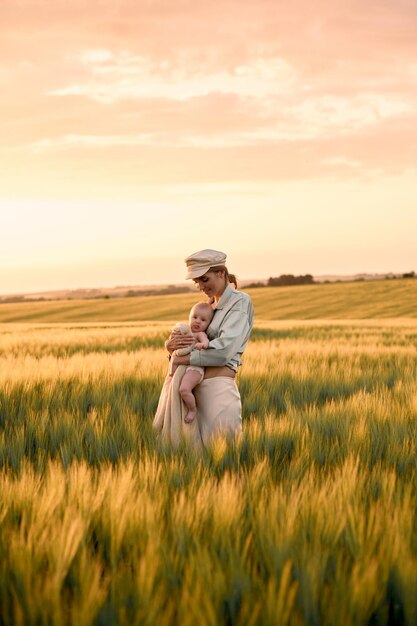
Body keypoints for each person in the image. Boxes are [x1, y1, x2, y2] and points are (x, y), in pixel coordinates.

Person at [153, 248, 254, 449]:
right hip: (192, 394)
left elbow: (224, 351)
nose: (200, 286)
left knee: (224, 455)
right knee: (195, 459)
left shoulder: (240, 302)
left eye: (204, 279)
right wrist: (171, 348)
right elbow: (192, 342)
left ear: (221, 273)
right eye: (196, 282)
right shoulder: (209, 306)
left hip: (218, 393)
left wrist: (184, 359)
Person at [169, 302, 214, 424]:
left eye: (203, 320)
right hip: (183, 367)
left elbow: (205, 342)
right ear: (189, 317)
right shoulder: (186, 331)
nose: (198, 321)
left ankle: (192, 410)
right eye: (195, 317)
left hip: (195, 368)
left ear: (208, 324)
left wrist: (203, 344)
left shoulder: (200, 334)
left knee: (184, 389)